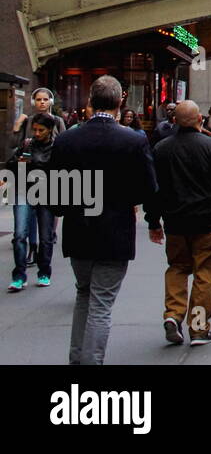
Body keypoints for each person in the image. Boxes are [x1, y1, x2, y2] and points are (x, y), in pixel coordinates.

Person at [48, 75, 157, 365]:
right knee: (101, 304)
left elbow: (54, 193)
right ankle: (91, 361)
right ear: (120, 101)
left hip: (78, 231)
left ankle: (77, 358)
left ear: (89, 101)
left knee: (83, 294)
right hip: (115, 232)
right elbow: (148, 189)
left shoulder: (68, 139)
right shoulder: (133, 140)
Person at [145, 101, 211, 346]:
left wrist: (153, 221)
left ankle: (173, 314)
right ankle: (199, 327)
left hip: (175, 221)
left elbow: (154, 191)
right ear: (200, 120)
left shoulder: (161, 149)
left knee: (177, 268)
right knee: (205, 274)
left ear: (174, 121)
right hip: (208, 222)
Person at [6, 111, 60, 291]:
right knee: (19, 235)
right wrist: (18, 163)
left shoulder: (57, 148)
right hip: (24, 193)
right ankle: (19, 275)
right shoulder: (27, 145)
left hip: (47, 195)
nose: (37, 133)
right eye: (34, 130)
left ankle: (44, 272)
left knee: (46, 237)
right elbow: (10, 165)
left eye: (41, 130)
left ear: (50, 130)